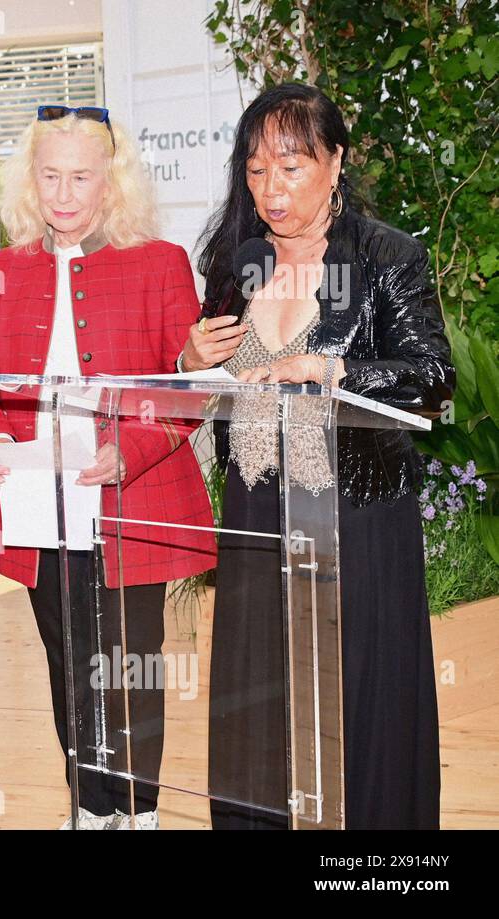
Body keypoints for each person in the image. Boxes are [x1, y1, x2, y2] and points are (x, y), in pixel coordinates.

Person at [183, 83, 452, 830]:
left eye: (292, 167)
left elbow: (433, 379)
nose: (271, 189)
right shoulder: (239, 262)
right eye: (257, 168)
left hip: (356, 515)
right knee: (259, 694)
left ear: (336, 162)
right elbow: (219, 384)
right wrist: (191, 356)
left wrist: (337, 372)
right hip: (256, 510)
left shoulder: (384, 256)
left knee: (355, 697)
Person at [0, 105, 217, 829]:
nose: (65, 193)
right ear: (30, 180)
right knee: (70, 662)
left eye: (81, 177)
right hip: (38, 499)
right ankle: (89, 802)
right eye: (51, 176)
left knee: (130, 665)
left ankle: (138, 809)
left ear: (113, 182)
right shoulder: (5, 268)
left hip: (134, 495)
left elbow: (188, 386)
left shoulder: (160, 263)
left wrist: (127, 451)